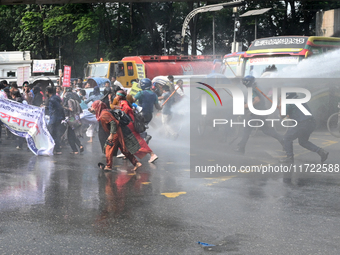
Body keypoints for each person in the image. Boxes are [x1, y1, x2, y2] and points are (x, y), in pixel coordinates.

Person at [235, 75, 284, 154]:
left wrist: (246, 106)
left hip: (257, 113)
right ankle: (282, 140)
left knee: (247, 130)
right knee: (266, 130)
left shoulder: (252, 89)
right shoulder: (257, 87)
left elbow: (257, 100)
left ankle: (241, 147)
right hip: (261, 111)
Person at [89, 100, 142, 171]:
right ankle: (136, 163)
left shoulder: (104, 114)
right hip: (117, 132)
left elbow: (113, 123)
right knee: (123, 149)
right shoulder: (105, 111)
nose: (92, 109)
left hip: (115, 133)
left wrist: (111, 134)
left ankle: (108, 166)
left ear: (97, 107)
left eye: (93, 107)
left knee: (108, 149)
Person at [280, 92, 329, 163]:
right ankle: (321, 152)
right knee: (303, 141)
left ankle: (289, 157)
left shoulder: (289, 103)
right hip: (311, 123)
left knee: (287, 137)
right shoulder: (300, 100)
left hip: (302, 124)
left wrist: (281, 104)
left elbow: (282, 116)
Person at [115, 90, 158, 163]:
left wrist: (122, 113)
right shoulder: (122, 102)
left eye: (116, 95)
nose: (115, 97)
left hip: (129, 125)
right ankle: (126, 153)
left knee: (138, 140)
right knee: (123, 138)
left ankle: (152, 154)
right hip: (127, 123)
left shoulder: (124, 103)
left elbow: (127, 109)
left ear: (120, 96)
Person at [133, 78, 162, 144]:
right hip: (149, 115)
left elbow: (132, 100)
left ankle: (145, 136)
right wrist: (160, 108)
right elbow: (157, 106)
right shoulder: (154, 95)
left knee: (137, 128)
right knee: (141, 128)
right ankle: (143, 142)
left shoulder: (141, 93)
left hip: (140, 114)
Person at [46, 86, 65, 155]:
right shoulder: (56, 97)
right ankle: (56, 149)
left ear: (48, 92)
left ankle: (55, 149)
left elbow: (59, 107)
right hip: (57, 118)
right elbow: (54, 107)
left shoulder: (52, 99)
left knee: (51, 134)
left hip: (54, 119)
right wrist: (46, 107)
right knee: (55, 134)